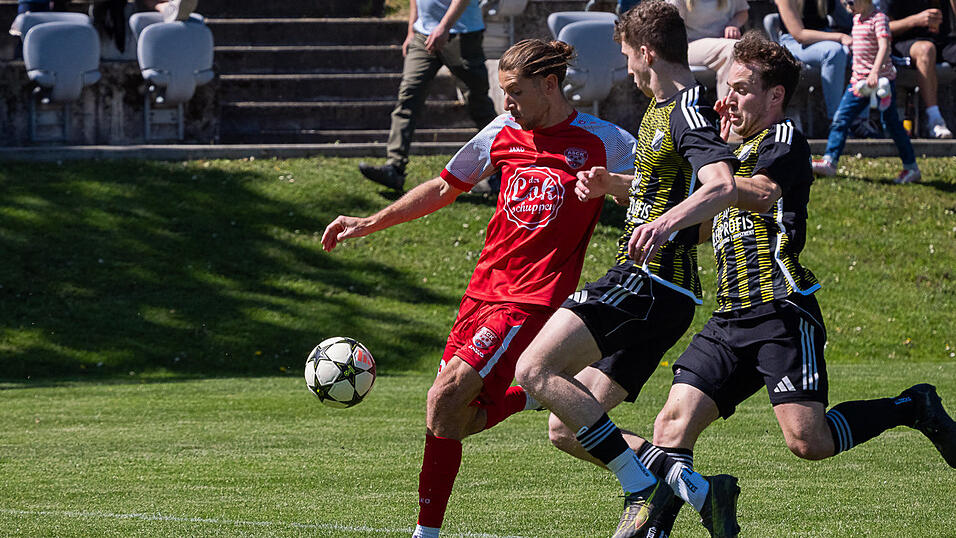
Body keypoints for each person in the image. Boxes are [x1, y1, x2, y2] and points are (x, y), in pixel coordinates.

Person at [323, 39, 641, 538]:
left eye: (513, 92)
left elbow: (659, 187)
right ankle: (528, 395)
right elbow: (446, 186)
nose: (506, 103)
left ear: (550, 85)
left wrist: (623, 197)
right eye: (502, 92)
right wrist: (369, 222)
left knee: (442, 396)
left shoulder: (606, 141)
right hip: (480, 294)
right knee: (451, 417)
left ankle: (424, 534)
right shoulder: (504, 131)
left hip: (531, 300)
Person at [650, 33, 956, 526]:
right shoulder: (730, 158)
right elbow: (707, 226)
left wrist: (715, 177)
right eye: (726, 87)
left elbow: (763, 194)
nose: (726, 99)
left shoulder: (783, 141)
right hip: (728, 319)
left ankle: (912, 406)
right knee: (671, 424)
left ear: (774, 97)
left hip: (780, 313)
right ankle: (659, 528)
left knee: (808, 442)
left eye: (742, 89)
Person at [513, 3, 743, 537]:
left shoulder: (687, 109)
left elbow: (720, 183)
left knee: (534, 370)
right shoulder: (661, 108)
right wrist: (613, 184)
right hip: (663, 295)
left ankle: (642, 489)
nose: (627, 71)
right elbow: (670, 188)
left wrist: (664, 228)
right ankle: (703, 491)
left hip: (649, 282)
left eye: (627, 58)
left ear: (647, 53)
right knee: (564, 426)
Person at [357, 0, 497, 192]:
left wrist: (444, 27)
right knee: (408, 98)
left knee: (478, 102)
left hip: (463, 34)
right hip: (423, 35)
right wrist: (411, 30)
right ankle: (394, 169)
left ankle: (502, 168)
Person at [811, 0, 921, 183]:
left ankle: (911, 167)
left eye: (851, 2)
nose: (848, 7)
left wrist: (875, 72)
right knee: (840, 119)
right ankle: (830, 161)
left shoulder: (879, 19)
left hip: (880, 82)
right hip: (858, 83)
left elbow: (884, 46)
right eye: (844, 2)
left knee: (891, 124)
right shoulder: (857, 19)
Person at [882, 0, 956, 138]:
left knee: (930, 47)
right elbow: (884, 27)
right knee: (926, 49)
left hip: (940, 42)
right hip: (904, 43)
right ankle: (935, 120)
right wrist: (915, 20)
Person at [774, 0, 851, 120]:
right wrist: (840, 37)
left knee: (859, 49)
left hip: (825, 37)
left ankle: (860, 120)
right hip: (794, 43)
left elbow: (848, 20)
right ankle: (837, 120)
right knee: (834, 52)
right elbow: (799, 35)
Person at [667, 0, 750, 100]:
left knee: (747, 50)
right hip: (689, 47)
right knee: (734, 49)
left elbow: (743, 11)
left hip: (723, 44)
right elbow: (670, 24)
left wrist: (733, 24)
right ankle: (724, 109)